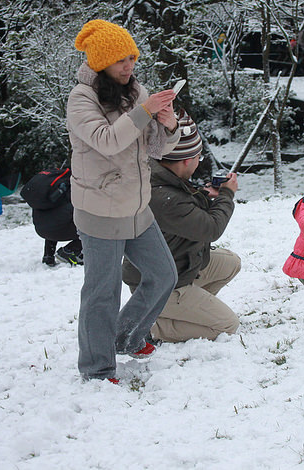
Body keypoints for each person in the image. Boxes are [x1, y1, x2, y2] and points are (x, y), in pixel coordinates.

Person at [67, 19, 180, 383]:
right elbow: (108, 140)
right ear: (100, 62)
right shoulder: (80, 99)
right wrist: (145, 111)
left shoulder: (136, 92)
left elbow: (157, 150)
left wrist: (168, 124)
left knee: (164, 274)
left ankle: (124, 336)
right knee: (102, 292)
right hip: (100, 209)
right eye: (120, 60)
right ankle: (97, 368)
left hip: (136, 206)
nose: (129, 66)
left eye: (131, 57)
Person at [122, 114, 240, 343]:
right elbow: (211, 228)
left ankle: (188, 312)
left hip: (176, 266)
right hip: (157, 283)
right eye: (198, 156)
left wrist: (205, 196)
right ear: (187, 160)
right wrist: (227, 194)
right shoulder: (163, 195)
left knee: (230, 263)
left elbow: (184, 209)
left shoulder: (160, 176)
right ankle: (153, 327)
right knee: (228, 326)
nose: (199, 161)